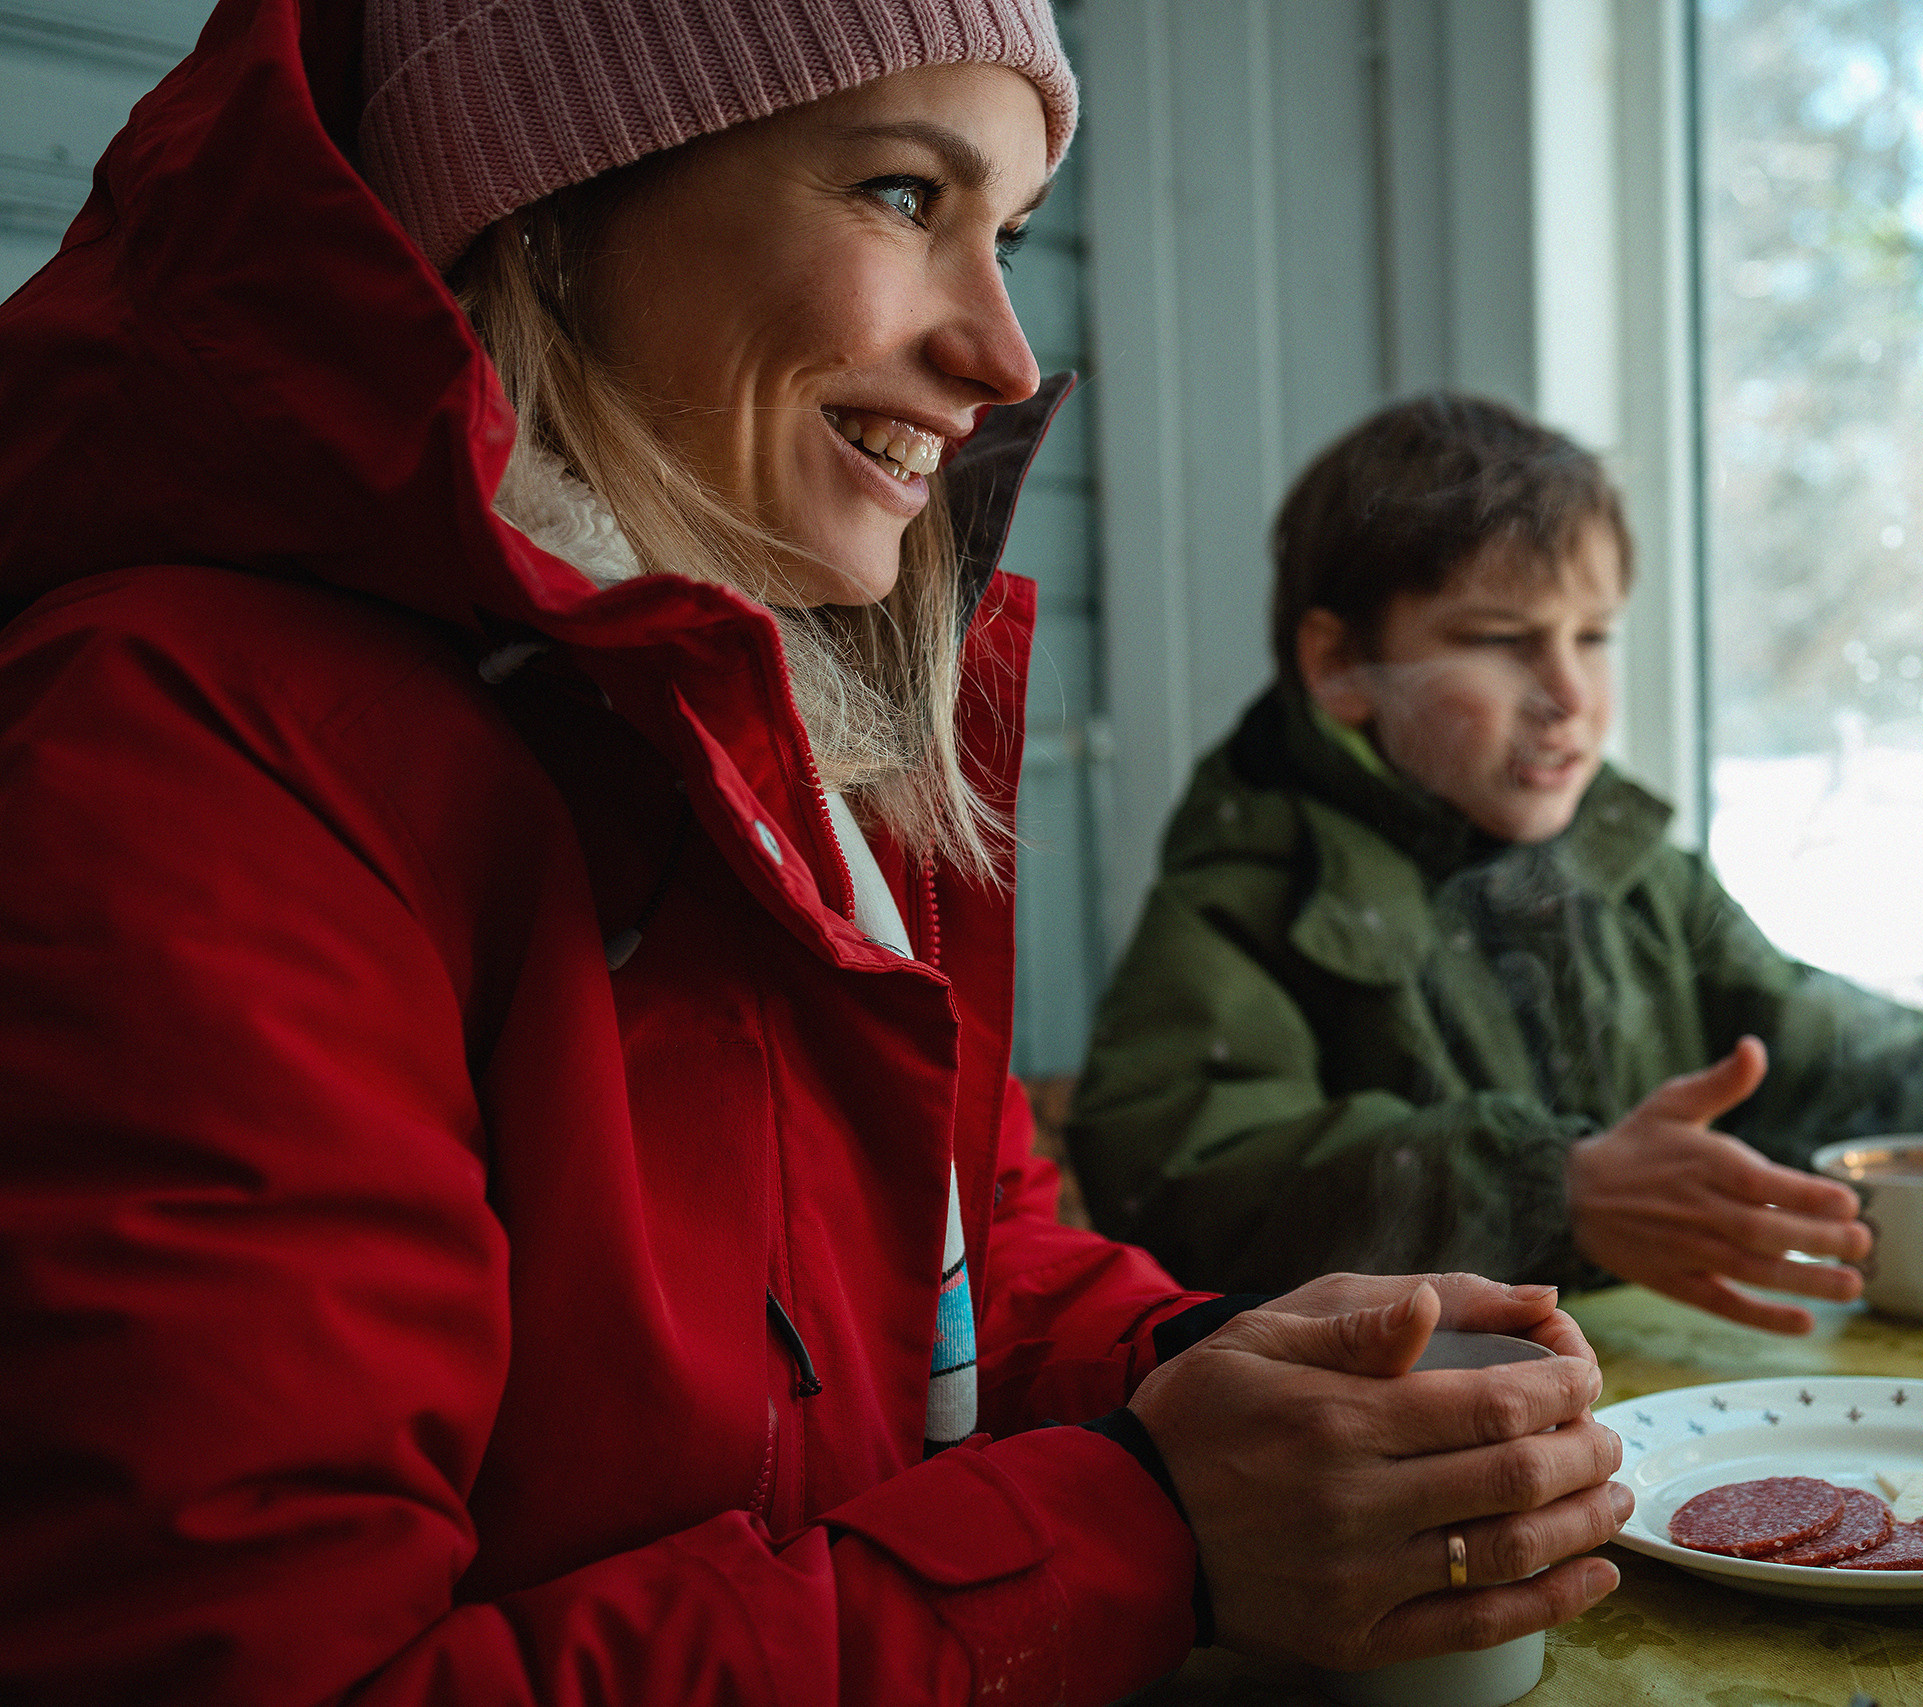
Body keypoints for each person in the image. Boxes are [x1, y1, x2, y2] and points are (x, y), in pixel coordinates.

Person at [0, 8, 1630, 1702]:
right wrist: (1146, 1532)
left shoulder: (784, 735)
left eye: (1004, 233)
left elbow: (946, 1282)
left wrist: (1232, 1371)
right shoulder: (188, 761)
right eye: (903, 194)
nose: (1008, 355)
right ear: (547, 202)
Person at [1066, 393, 1923, 1331]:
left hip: (1661, 1434)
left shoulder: (1635, 879)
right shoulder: (1248, 891)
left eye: (1592, 635)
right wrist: (1547, 1190)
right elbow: (1179, 1183)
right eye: (1501, 641)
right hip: (1393, 1474)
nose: (1570, 694)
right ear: (1341, 667)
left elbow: (1829, 1055)